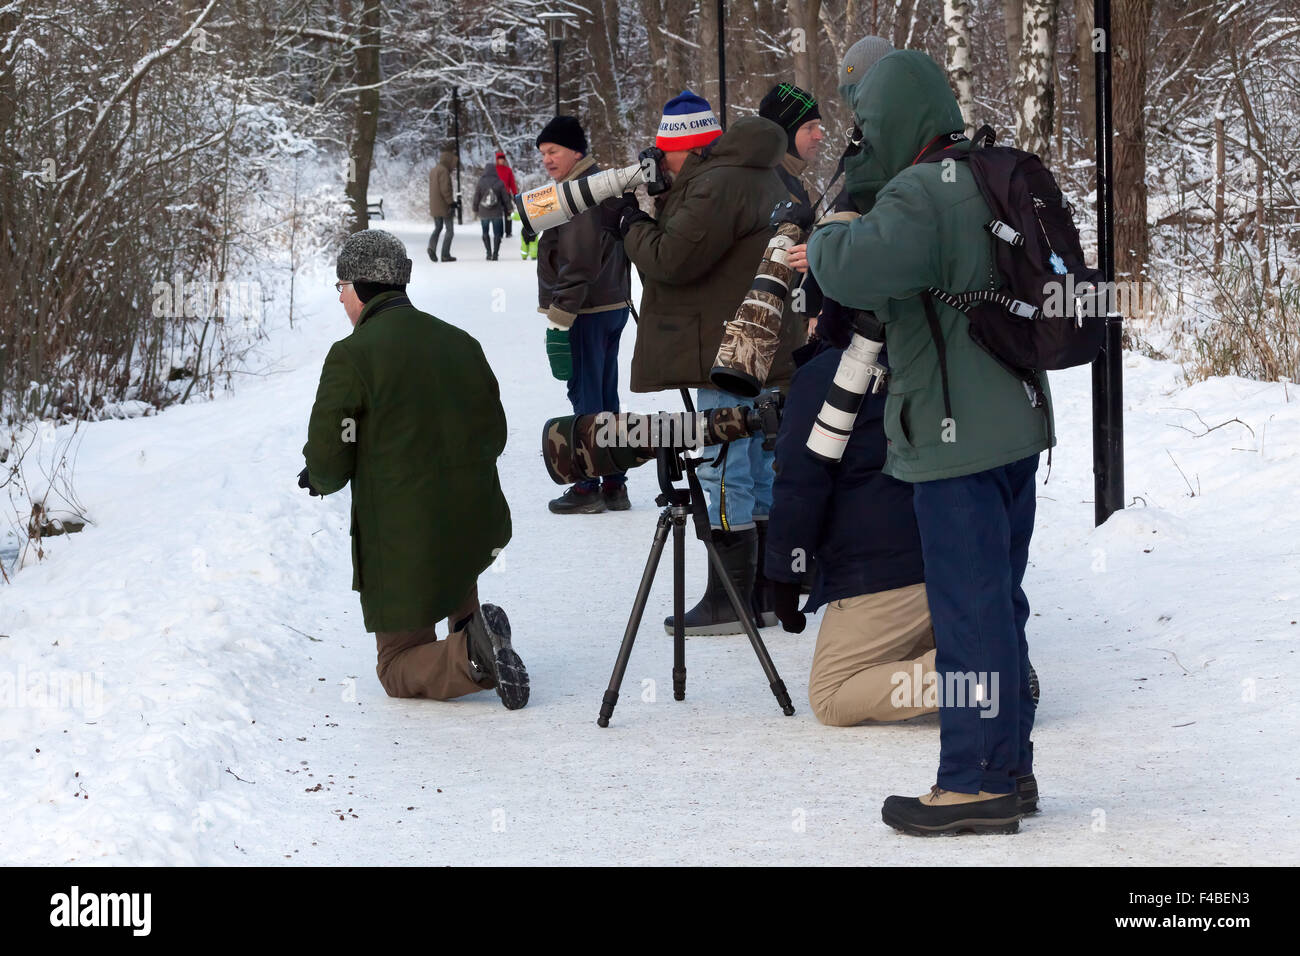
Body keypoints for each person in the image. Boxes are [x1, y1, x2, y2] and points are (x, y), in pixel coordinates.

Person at [806, 50, 1053, 834]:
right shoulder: (983, 170)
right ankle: (1009, 768)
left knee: (967, 613)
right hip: (1014, 423)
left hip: (957, 439)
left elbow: (844, 272)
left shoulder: (919, 192)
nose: (864, 138)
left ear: (895, 120)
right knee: (999, 605)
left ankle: (973, 782)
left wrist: (832, 217)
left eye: (869, 124)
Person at [299, 229, 528, 710]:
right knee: (455, 582)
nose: (340, 299)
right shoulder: (460, 342)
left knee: (396, 664)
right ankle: (473, 632)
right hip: (471, 525)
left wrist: (317, 479)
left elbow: (329, 456)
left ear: (361, 288)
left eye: (341, 287)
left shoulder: (353, 356)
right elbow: (495, 435)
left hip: (402, 539)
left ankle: (472, 656)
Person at [609, 90, 805, 635]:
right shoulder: (762, 173)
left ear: (684, 149)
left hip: (728, 350)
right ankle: (763, 593)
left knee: (724, 464)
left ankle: (727, 598)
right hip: (763, 345)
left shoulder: (718, 183)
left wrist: (631, 228)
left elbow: (673, 258)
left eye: (663, 154)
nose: (659, 163)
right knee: (757, 461)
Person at [763, 307, 935, 727]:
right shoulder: (938, 350)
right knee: (910, 653)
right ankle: (973, 654)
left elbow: (802, 483)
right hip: (955, 548)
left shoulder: (833, 372)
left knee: (832, 694)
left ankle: (983, 679)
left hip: (884, 570)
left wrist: (783, 572)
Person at [534, 115, 633, 514]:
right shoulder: (601, 185)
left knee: (586, 395)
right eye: (542, 153)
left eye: (553, 151)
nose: (547, 160)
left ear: (576, 150)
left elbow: (578, 261)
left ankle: (587, 485)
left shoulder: (578, 193)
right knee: (606, 396)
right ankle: (614, 482)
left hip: (585, 310)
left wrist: (560, 316)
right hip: (611, 305)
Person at [470, 162, 510, 260]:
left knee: (485, 232)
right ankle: (495, 254)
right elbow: (505, 198)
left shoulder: (481, 182)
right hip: (497, 212)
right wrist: (509, 209)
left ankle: (488, 253)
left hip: (484, 212)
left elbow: (476, 197)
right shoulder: (499, 182)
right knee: (497, 234)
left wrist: (475, 209)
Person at [427, 149, 457, 262]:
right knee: (450, 230)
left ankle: (431, 247)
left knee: (438, 228)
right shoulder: (444, 171)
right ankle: (445, 255)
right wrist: (451, 203)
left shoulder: (434, 170)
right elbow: (445, 189)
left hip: (434, 205)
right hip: (444, 206)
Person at [495, 150, 519, 237]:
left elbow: (512, 183)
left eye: (502, 159)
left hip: (507, 194)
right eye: (499, 159)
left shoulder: (508, 170)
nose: (501, 161)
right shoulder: (494, 170)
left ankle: (508, 232)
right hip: (497, 195)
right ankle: (499, 232)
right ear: (497, 160)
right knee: (498, 215)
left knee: (508, 213)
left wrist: (515, 193)